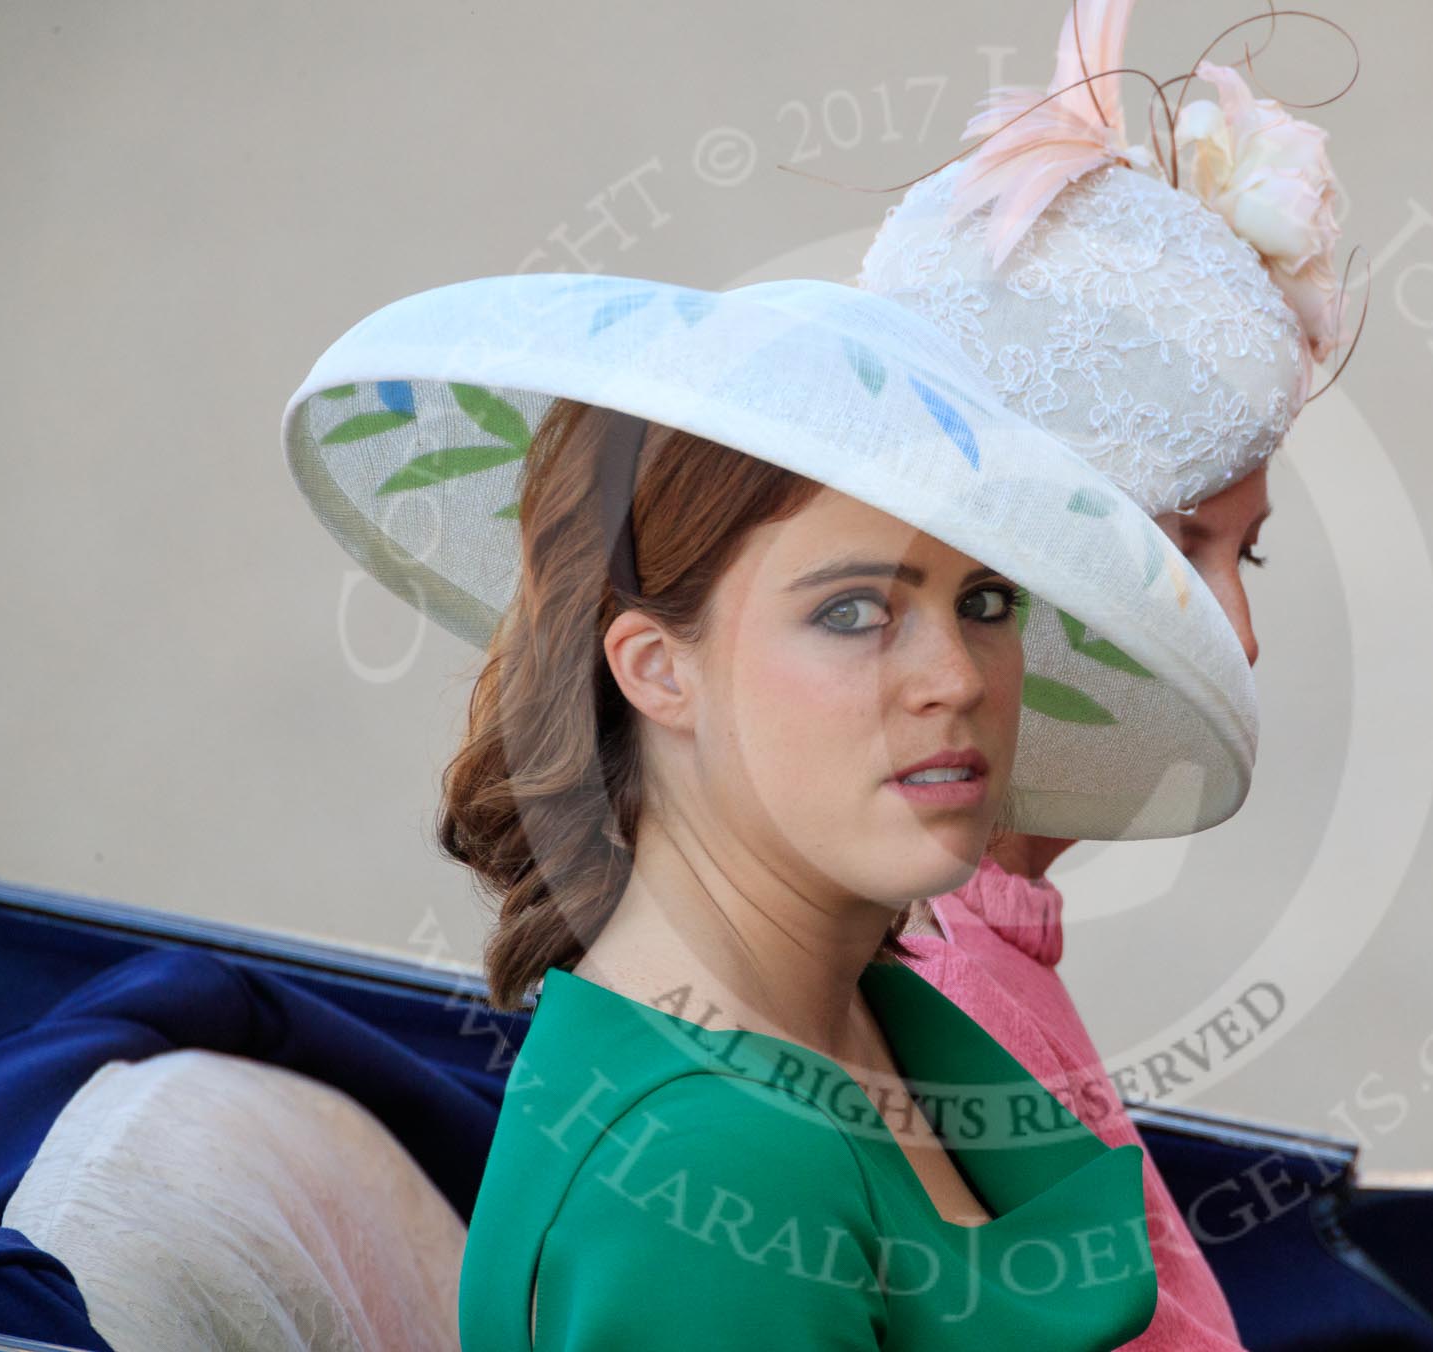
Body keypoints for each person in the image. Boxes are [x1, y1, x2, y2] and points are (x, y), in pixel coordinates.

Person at [280, 272, 1262, 1348]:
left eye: (984, 600)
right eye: (852, 610)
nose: (958, 676)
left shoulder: (881, 1020)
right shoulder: (707, 1171)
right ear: (659, 672)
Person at [856, 2, 1366, 1346]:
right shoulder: (943, 986)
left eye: (1250, 557)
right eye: (1179, 542)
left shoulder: (965, 941)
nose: (1239, 637)